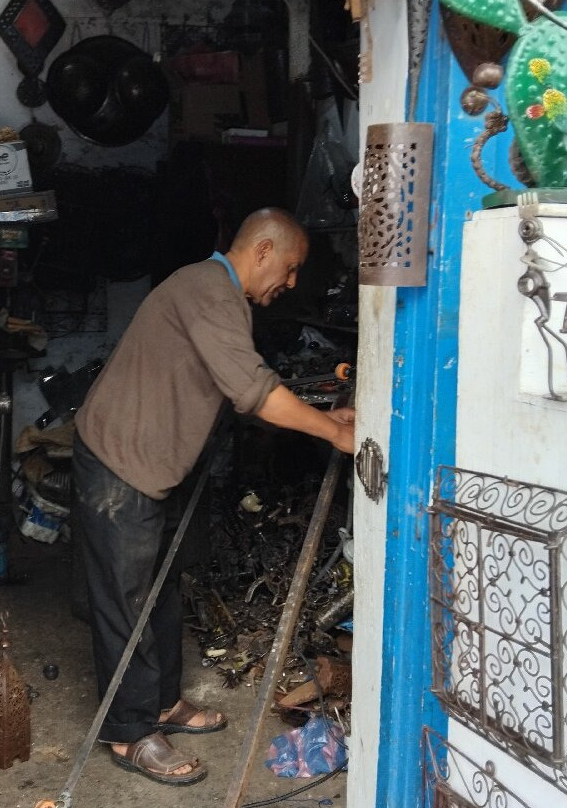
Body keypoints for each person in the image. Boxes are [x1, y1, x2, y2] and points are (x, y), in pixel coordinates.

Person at [72, 207, 356, 786]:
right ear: (262, 251)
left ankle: (161, 705)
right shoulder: (207, 290)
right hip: (119, 460)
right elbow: (255, 393)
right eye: (292, 267)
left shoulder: (221, 299)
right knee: (124, 599)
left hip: (156, 464)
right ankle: (129, 733)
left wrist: (324, 412)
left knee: (163, 586)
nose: (293, 282)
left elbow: (242, 386)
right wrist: (335, 433)